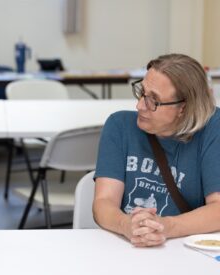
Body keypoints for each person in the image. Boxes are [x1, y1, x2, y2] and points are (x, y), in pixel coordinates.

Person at [93, 53, 220, 247]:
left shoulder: (213, 130)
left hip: (185, 251)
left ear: (184, 108)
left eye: (154, 100)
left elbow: (217, 210)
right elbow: (103, 202)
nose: (140, 105)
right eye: (142, 93)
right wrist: (126, 224)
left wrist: (166, 227)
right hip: (126, 247)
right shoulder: (119, 126)